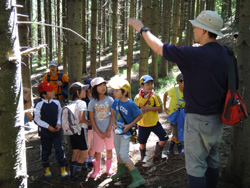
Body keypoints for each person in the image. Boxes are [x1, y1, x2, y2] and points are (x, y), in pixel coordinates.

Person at [128, 10, 239, 188]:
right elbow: (234, 86)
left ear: (204, 30)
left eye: (196, 27)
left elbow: (159, 48)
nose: (193, 30)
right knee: (213, 160)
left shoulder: (193, 55)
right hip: (219, 119)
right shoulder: (228, 54)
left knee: (195, 166)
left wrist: (142, 29)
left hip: (197, 119)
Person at [109, 77, 146, 188]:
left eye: (117, 91)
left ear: (124, 92)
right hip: (117, 132)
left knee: (124, 155)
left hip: (125, 134)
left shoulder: (131, 104)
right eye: (114, 90)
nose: (114, 93)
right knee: (119, 154)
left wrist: (130, 125)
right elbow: (113, 114)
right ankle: (121, 172)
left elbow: (140, 115)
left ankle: (138, 179)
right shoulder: (116, 102)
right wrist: (113, 124)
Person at [34, 81, 68, 178]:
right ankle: (46, 168)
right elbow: (36, 119)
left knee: (59, 149)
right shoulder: (39, 104)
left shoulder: (56, 102)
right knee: (46, 150)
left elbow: (59, 114)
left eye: (53, 89)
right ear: (44, 94)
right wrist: (48, 126)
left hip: (57, 131)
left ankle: (62, 167)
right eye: (50, 91)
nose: (53, 91)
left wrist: (58, 123)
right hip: (45, 132)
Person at [134, 75, 169, 164]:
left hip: (154, 123)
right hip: (142, 124)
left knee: (164, 138)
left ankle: (157, 154)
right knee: (142, 142)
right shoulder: (137, 97)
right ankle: (143, 157)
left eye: (152, 83)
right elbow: (135, 110)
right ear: (142, 86)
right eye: (148, 84)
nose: (150, 86)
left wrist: (148, 109)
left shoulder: (155, 96)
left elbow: (160, 108)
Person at [87, 77, 114, 178]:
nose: (103, 87)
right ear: (94, 89)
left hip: (108, 131)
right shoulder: (92, 102)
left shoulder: (110, 100)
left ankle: (109, 168)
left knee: (109, 149)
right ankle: (97, 170)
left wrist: (108, 130)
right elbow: (92, 119)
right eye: (100, 85)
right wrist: (98, 132)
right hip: (97, 132)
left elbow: (112, 116)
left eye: (104, 85)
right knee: (97, 151)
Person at [68, 82, 91, 183]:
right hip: (81, 130)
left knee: (75, 152)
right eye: (83, 90)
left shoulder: (70, 102)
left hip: (72, 130)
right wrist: (89, 122)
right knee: (84, 152)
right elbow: (81, 118)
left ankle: (72, 174)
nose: (85, 91)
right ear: (77, 92)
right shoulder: (82, 103)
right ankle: (76, 175)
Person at [163, 73, 185, 154]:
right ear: (179, 82)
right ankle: (179, 148)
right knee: (175, 132)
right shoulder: (174, 90)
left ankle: (171, 147)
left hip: (182, 115)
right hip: (173, 115)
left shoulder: (188, 91)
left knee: (176, 132)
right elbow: (165, 94)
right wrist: (165, 107)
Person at [82, 78, 95, 169]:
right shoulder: (83, 100)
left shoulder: (96, 99)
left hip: (96, 125)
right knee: (87, 142)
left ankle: (91, 158)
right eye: (89, 88)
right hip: (86, 125)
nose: (90, 90)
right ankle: (85, 160)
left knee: (93, 143)